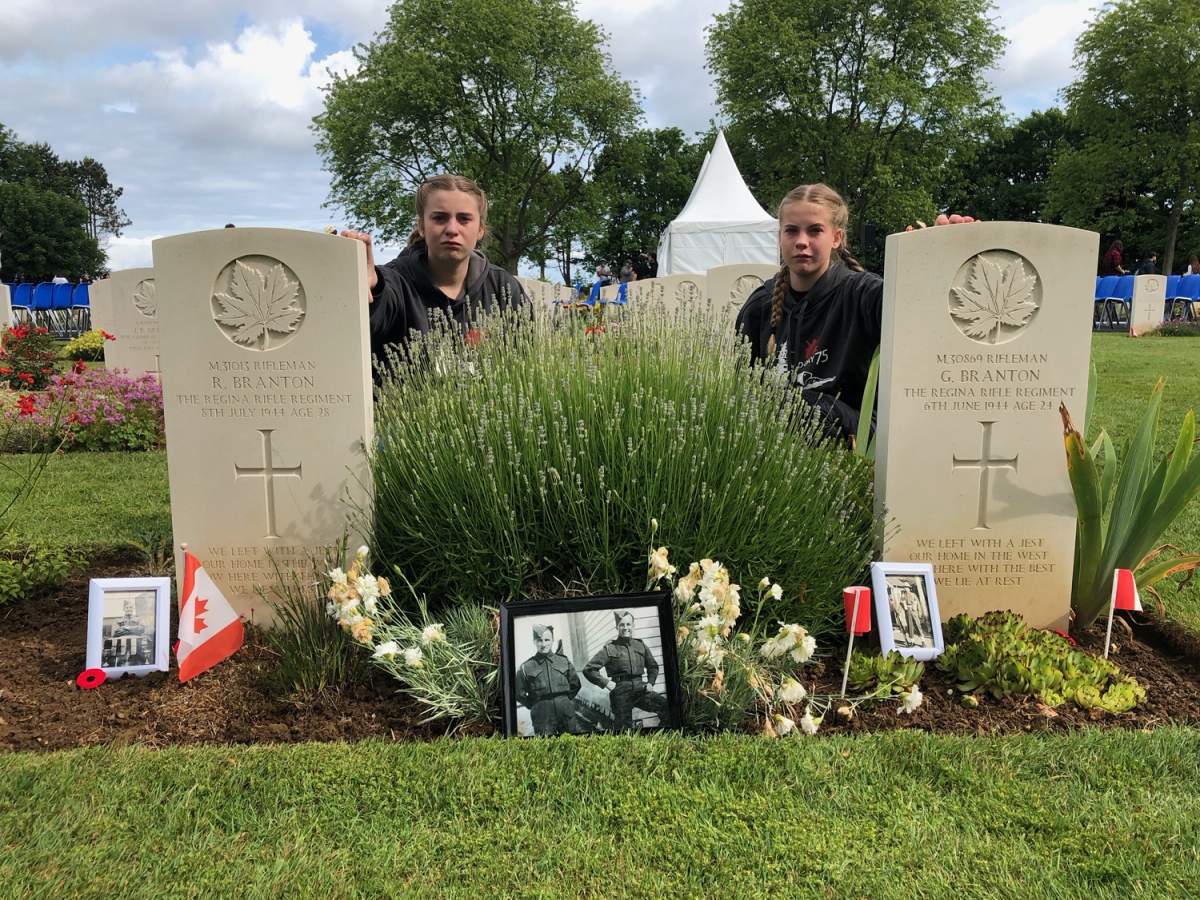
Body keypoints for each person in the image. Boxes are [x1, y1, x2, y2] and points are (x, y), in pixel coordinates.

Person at [736, 184, 972, 442]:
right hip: (774, 448)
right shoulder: (760, 305)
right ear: (779, 237)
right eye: (791, 231)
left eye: (815, 230)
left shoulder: (865, 294)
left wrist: (948, 260)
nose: (801, 241)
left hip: (855, 441)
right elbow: (744, 389)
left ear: (836, 238)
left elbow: (924, 317)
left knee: (809, 407)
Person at [340, 174, 527, 368]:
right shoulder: (396, 282)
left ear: (480, 229)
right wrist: (372, 290)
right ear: (422, 226)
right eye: (439, 218)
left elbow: (524, 360)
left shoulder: (503, 288)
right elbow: (375, 315)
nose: (452, 229)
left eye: (464, 219)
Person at [583, 611, 669, 731]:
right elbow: (589, 669)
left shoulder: (640, 645)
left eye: (628, 624)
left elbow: (653, 666)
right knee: (624, 729)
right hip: (621, 692)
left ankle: (660, 736)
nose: (626, 628)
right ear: (617, 627)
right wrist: (606, 683)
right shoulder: (610, 648)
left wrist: (650, 682)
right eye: (622, 625)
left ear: (633, 626)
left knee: (667, 707)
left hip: (641, 689)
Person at [515, 624, 584, 735]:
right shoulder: (526, 667)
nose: (543, 644)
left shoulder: (563, 661)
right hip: (542, 715)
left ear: (552, 640)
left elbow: (575, 684)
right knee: (547, 747)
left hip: (566, 712)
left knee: (573, 742)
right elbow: (518, 693)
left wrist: (564, 700)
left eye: (547, 640)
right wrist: (535, 704)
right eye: (539, 640)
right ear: (534, 642)